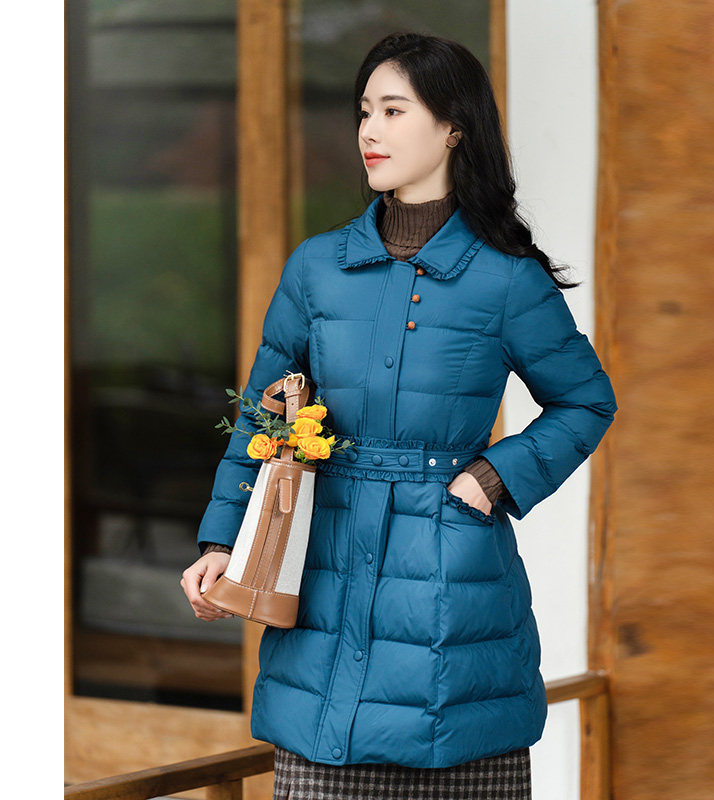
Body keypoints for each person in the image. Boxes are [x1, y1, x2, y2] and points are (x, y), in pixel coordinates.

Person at [181, 31, 617, 799]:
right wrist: (224, 540)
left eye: (392, 110)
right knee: (321, 753)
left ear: (453, 128)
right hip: (324, 566)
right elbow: (264, 416)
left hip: (454, 574)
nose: (369, 131)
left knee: (459, 748)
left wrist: (492, 479)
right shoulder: (317, 267)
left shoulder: (505, 280)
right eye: (363, 112)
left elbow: (585, 400)